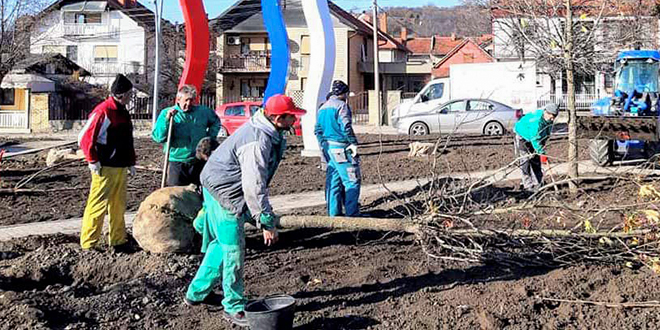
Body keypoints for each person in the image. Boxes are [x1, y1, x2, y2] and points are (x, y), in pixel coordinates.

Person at [184, 94, 305, 327]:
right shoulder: (257, 141)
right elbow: (254, 185)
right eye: (292, 117)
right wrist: (266, 222)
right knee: (233, 249)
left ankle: (197, 293)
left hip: (216, 184)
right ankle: (234, 306)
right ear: (279, 118)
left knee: (220, 244)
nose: (295, 121)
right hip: (226, 192)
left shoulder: (268, 129)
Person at [78, 74, 136, 252]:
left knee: (118, 205)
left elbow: (127, 139)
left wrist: (131, 161)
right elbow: (85, 137)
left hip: (120, 165)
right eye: (129, 93)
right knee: (97, 205)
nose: (131, 96)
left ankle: (118, 240)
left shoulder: (122, 111)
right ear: (122, 94)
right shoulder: (104, 111)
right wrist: (92, 160)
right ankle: (88, 243)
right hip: (104, 166)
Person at [152, 85, 221, 186]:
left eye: (191, 100)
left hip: (198, 160)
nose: (188, 104)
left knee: (199, 194)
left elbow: (216, 121)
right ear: (178, 99)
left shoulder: (203, 112)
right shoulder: (167, 113)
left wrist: (209, 138)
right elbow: (158, 137)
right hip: (177, 161)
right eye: (186, 100)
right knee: (177, 194)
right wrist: (167, 120)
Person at [315, 80, 361, 217]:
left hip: (329, 150)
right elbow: (346, 126)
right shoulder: (342, 106)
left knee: (333, 182)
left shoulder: (322, 108)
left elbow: (317, 130)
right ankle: (352, 215)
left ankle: (333, 215)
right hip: (342, 148)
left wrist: (324, 146)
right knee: (352, 181)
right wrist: (353, 143)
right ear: (344, 93)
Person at [513, 103, 559, 192]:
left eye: (554, 117)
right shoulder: (536, 121)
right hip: (523, 136)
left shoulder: (549, 120)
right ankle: (528, 186)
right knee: (525, 161)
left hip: (535, 139)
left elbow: (546, 134)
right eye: (552, 116)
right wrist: (541, 152)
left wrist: (543, 146)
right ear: (546, 112)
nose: (552, 119)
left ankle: (538, 183)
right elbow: (535, 138)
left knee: (536, 161)